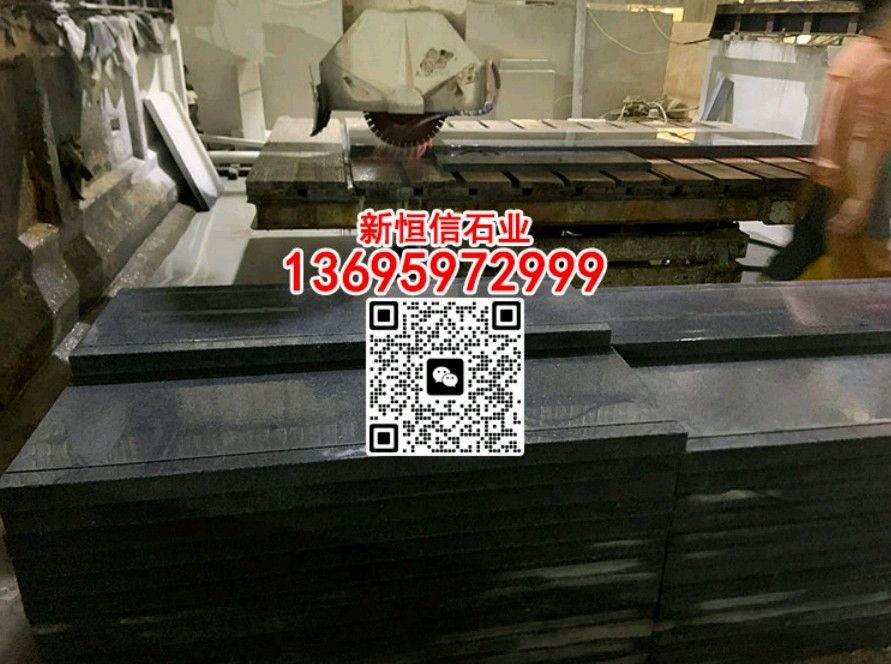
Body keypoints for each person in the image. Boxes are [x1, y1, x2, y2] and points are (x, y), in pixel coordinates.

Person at [767, 0, 891, 279]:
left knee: (800, 260)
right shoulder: (883, 66)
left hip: (821, 184)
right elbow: (865, 139)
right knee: (860, 277)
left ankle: (763, 298)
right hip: (852, 191)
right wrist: (860, 198)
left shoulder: (853, 55)